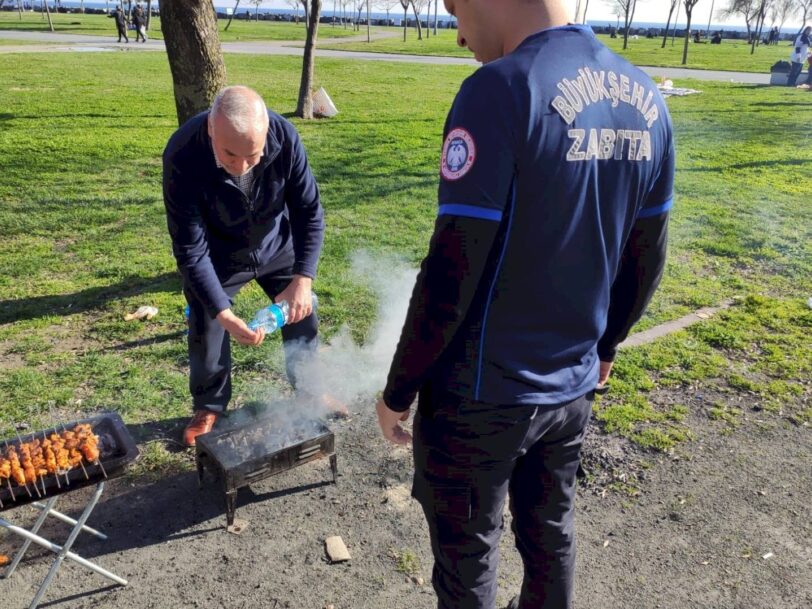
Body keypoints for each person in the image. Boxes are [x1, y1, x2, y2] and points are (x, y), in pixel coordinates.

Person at [375, 1, 674, 609]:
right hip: (571, 388)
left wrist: (398, 390)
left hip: (482, 396)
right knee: (550, 536)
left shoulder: (499, 90)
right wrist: (606, 346)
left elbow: (452, 268)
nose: (459, 34)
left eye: (456, 9)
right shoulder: (647, 99)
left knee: (468, 559)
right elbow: (648, 256)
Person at [163, 86, 329, 447]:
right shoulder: (183, 153)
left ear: (267, 130)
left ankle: (310, 390)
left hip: (275, 243)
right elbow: (190, 247)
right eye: (229, 154)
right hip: (218, 254)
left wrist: (303, 278)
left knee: (304, 309)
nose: (241, 166)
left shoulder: (285, 137)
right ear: (211, 128)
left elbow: (309, 212)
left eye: (252, 156)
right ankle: (208, 404)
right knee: (206, 320)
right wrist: (222, 312)